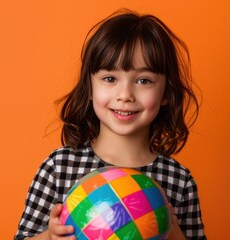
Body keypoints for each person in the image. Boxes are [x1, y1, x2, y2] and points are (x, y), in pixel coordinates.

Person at [14, 9, 206, 240]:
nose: (125, 94)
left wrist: (172, 233)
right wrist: (50, 237)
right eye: (110, 79)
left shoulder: (179, 179)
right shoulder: (59, 167)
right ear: (90, 88)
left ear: (167, 92)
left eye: (144, 80)